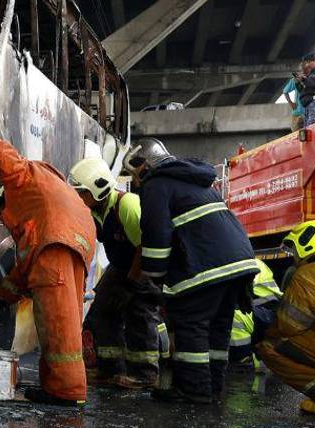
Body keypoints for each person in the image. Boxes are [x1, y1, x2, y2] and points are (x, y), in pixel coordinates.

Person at [125, 137, 256, 403]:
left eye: (135, 171)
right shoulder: (197, 181)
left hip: (206, 266)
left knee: (191, 326)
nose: (135, 179)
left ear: (144, 165)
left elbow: (156, 235)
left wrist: (154, 276)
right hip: (239, 263)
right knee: (219, 329)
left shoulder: (157, 185)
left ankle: (195, 392)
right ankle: (213, 388)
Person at [0, 133, 97, 406]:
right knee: (61, 322)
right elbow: (23, 269)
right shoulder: (44, 200)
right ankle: (57, 388)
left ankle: (67, 393)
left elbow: (1, 156)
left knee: (58, 325)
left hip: (57, 247)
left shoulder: (23, 178)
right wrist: (0, 298)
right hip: (73, 243)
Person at [68, 156, 162, 389]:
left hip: (144, 266)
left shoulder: (127, 205)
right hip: (121, 266)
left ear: (98, 190)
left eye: (82, 192)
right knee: (103, 309)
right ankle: (110, 369)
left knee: (138, 312)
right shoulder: (96, 211)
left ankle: (145, 374)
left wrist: (131, 284)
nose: (79, 198)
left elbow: (144, 246)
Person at [254, 220, 315, 416]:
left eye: (295, 249)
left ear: (308, 244)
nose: (294, 256)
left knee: (271, 346)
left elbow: (290, 327)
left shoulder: (309, 273)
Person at [228, 258, 282, 369]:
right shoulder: (238, 258)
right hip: (265, 311)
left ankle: (244, 360)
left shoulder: (245, 262)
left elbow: (236, 293)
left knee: (233, 316)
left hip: (269, 313)